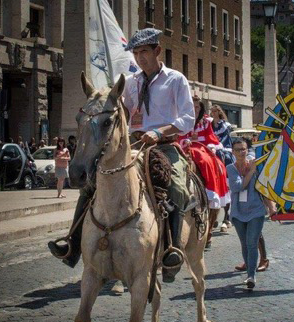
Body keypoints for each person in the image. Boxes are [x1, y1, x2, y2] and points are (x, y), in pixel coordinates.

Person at [48, 28, 195, 284]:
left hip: (164, 145)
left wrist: (158, 133)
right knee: (93, 184)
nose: (140, 58)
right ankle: (72, 245)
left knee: (177, 186)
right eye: (136, 53)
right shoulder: (131, 82)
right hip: (133, 145)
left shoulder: (175, 80)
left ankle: (172, 251)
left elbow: (187, 118)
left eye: (144, 52)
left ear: (157, 51)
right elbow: (121, 112)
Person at [179, 95, 231, 247]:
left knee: (204, 159)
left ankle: (211, 189)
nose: (194, 110)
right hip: (184, 147)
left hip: (202, 149)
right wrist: (186, 140)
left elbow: (211, 139)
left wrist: (205, 144)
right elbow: (177, 137)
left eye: (197, 107)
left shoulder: (205, 122)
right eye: (192, 107)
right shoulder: (182, 119)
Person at [226, 138, 269, 289]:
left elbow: (265, 187)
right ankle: (249, 272)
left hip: (256, 210)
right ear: (233, 152)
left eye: (243, 149)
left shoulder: (256, 164)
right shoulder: (231, 168)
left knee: (252, 243)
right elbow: (237, 187)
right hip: (238, 212)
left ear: (247, 150)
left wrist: (272, 207)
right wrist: (251, 172)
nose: (241, 152)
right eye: (237, 150)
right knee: (244, 244)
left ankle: (251, 275)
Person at [210, 104, 233, 232]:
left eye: (215, 111)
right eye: (211, 111)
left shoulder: (225, 125)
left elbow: (224, 139)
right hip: (210, 148)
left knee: (225, 157)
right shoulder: (208, 124)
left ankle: (226, 218)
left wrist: (217, 145)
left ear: (219, 112)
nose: (213, 113)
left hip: (222, 148)